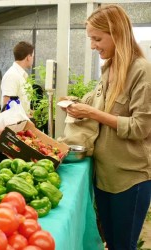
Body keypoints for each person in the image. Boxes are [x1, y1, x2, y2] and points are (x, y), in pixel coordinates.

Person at [61, 5, 151, 249]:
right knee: (110, 242)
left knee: (123, 245)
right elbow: (103, 108)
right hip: (104, 176)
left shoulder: (142, 71)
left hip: (129, 180)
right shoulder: (109, 69)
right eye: (91, 38)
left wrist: (92, 113)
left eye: (97, 39)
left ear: (117, 34)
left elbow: (140, 127)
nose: (93, 46)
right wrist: (77, 105)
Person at [1, 41, 34, 115]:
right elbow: (7, 108)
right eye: (33, 56)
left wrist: (32, 113)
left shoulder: (23, 76)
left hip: (23, 123)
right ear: (28, 57)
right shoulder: (12, 75)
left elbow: (22, 106)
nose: (33, 59)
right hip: (15, 125)